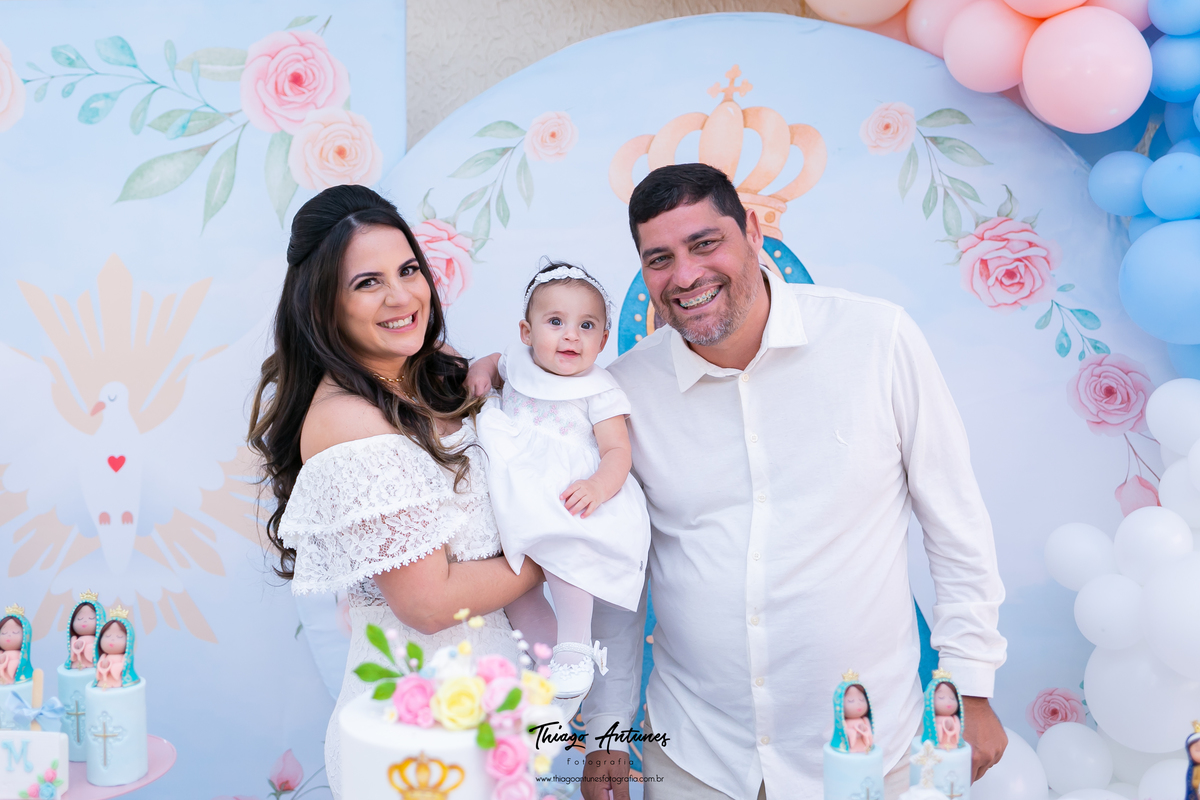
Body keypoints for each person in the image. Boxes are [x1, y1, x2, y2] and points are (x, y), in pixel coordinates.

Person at [580, 163, 1008, 800]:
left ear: (753, 232)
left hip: (870, 749)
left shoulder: (877, 340)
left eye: (705, 243)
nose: (686, 276)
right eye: (660, 259)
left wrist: (970, 687)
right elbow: (618, 583)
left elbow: (956, 524)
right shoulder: (623, 394)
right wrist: (607, 734)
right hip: (696, 756)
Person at [249, 185, 543, 800]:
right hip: (415, 731)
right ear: (323, 305)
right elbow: (428, 603)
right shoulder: (346, 421)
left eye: (408, 270)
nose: (402, 296)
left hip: (490, 705)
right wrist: (557, 550)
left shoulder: (428, 370)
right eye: (368, 282)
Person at [470, 262, 651, 702]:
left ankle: (575, 642)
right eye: (555, 322)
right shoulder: (516, 362)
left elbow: (617, 451)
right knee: (510, 582)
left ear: (603, 340)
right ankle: (544, 656)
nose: (571, 336)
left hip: (564, 492)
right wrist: (480, 371)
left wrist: (598, 486)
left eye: (586, 326)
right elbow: (493, 363)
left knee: (566, 560)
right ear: (526, 332)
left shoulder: (599, 389)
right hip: (511, 490)